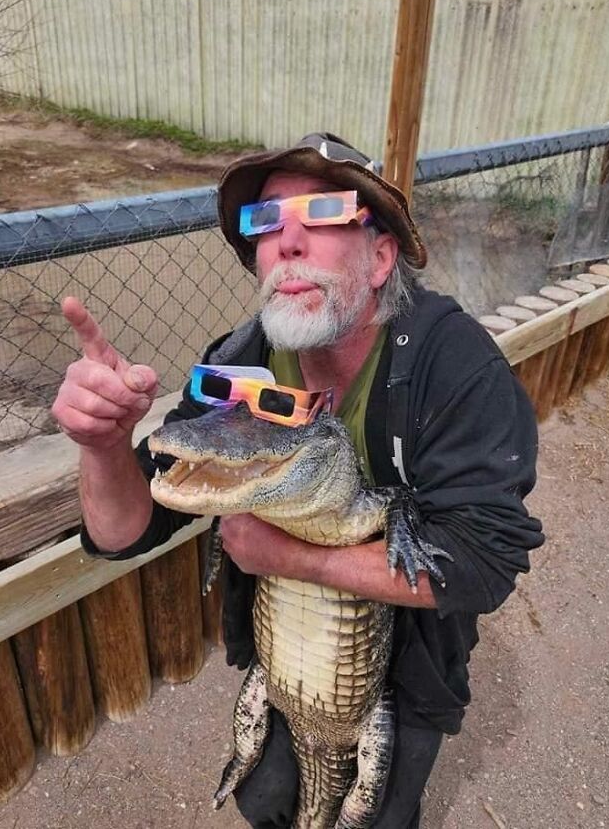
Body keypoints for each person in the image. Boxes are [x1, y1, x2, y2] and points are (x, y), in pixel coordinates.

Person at [52, 132, 544, 828]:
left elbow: (485, 562)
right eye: (265, 221)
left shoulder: (456, 366)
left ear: (380, 257)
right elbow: (126, 533)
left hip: (405, 670)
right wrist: (104, 445)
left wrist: (291, 556)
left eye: (322, 212)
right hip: (284, 650)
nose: (286, 241)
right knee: (266, 799)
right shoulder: (240, 363)